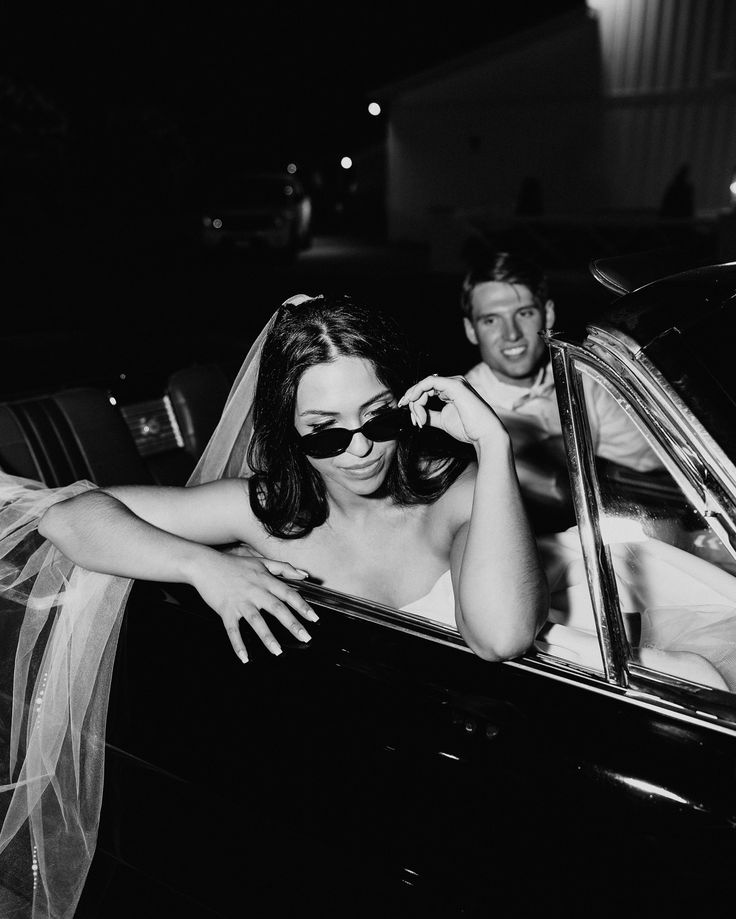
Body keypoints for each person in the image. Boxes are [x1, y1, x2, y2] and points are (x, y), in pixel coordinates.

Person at [0, 293, 549, 918]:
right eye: (326, 431)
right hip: (324, 794)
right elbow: (71, 520)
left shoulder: (458, 493)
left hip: (464, 784)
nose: (360, 449)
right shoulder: (267, 508)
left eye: (379, 419)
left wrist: (494, 445)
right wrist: (202, 564)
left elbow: (501, 636)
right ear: (289, 429)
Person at [460, 250, 663, 523]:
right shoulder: (462, 412)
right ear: (471, 330)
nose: (511, 334)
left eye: (524, 313)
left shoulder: (585, 379)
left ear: (548, 314)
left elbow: (656, 460)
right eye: (491, 320)